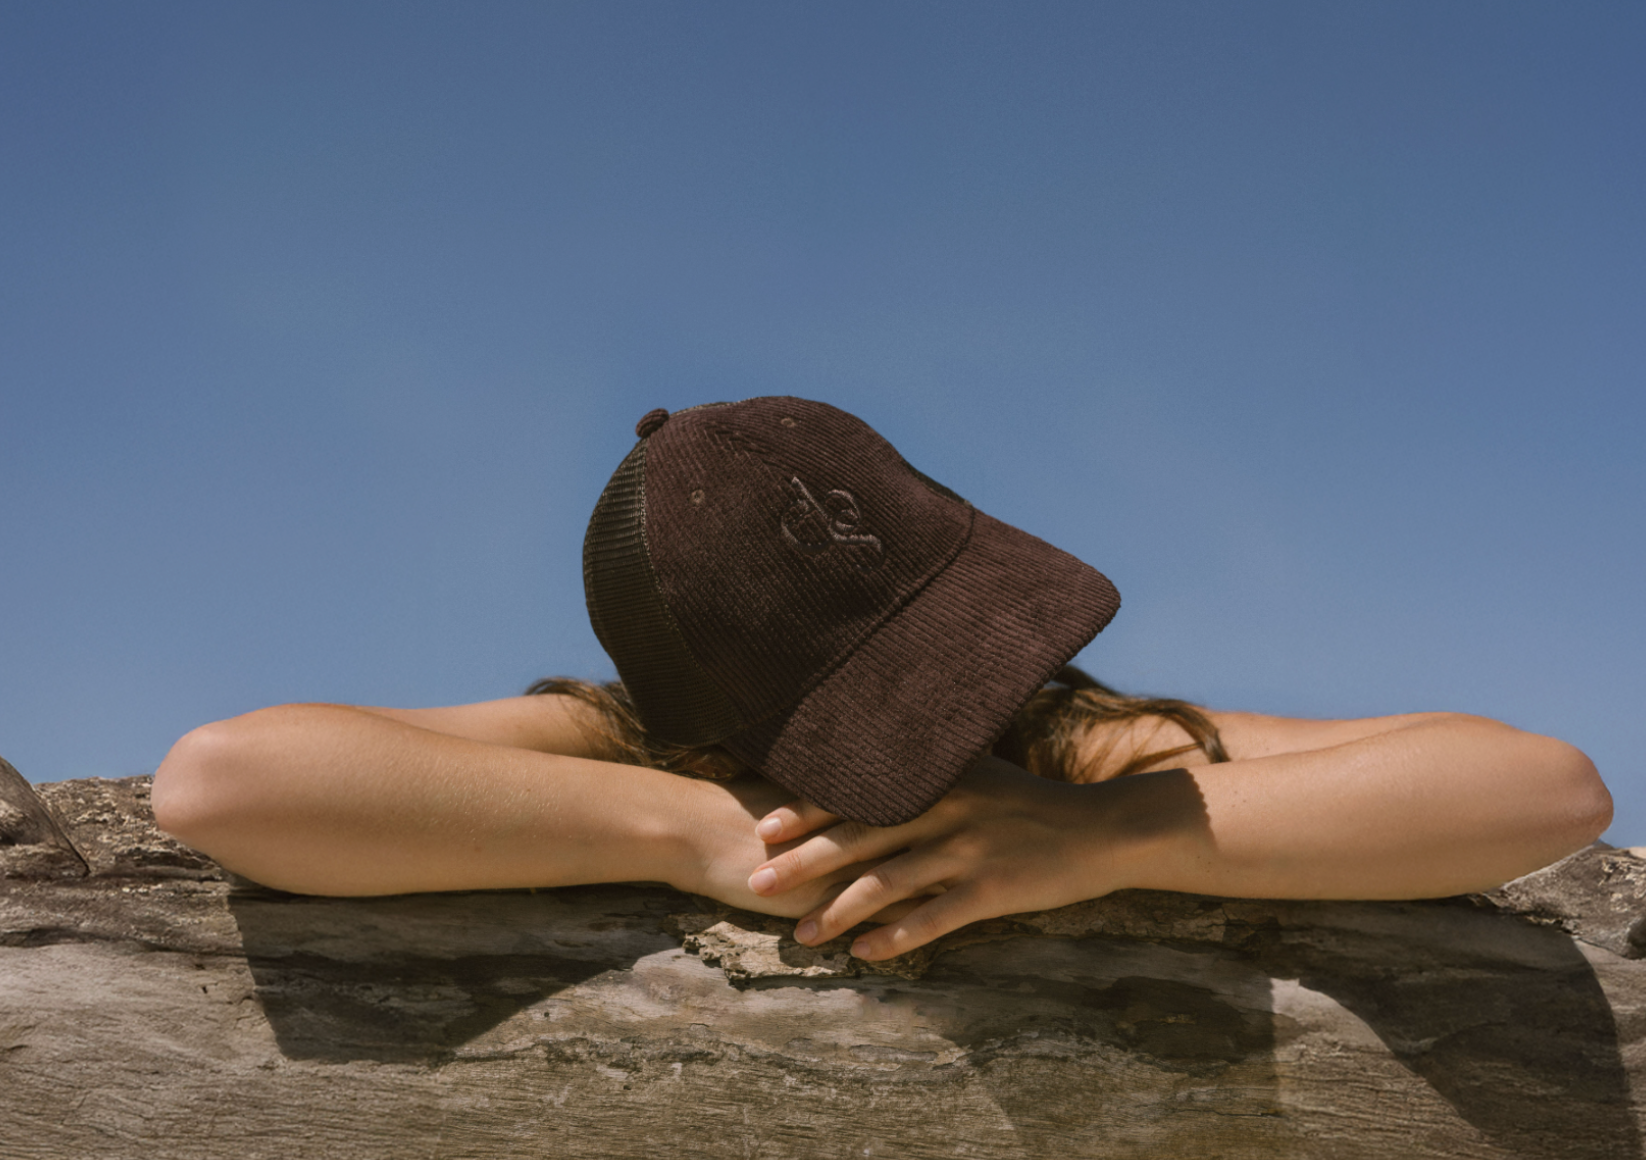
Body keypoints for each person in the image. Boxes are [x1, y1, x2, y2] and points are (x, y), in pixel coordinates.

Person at [152, 398, 1613, 963]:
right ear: (713, 717)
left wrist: (1103, 836)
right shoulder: (642, 746)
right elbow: (227, 780)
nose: (970, 713)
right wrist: (689, 833)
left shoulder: (1070, 744)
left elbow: (1542, 787)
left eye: (971, 650)